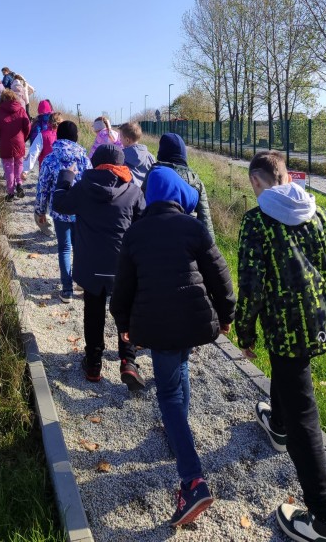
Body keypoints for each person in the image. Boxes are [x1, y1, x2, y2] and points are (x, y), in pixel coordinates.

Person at [236, 150, 326, 542]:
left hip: (283, 329)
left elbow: (251, 285)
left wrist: (245, 333)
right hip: (318, 323)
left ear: (257, 182)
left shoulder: (256, 221)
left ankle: (324, 519)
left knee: (305, 415)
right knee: (290, 380)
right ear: (287, 177)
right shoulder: (319, 213)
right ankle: (278, 424)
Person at [111, 166, 235, 527]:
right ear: (179, 196)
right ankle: (178, 429)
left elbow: (123, 289)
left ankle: (192, 481)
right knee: (180, 368)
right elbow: (220, 275)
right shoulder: (194, 227)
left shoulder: (135, 234)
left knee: (167, 393)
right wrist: (226, 314)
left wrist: (124, 327)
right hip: (193, 320)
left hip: (158, 325)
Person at [52, 144, 146, 387]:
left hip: (91, 265)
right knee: (125, 312)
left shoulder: (83, 188)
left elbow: (60, 204)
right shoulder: (133, 191)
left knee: (93, 314)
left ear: (95, 163)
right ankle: (129, 362)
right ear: (122, 165)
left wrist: (67, 176)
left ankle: (93, 364)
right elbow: (142, 224)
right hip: (123, 266)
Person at [35, 121, 92, 302]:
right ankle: (81, 281)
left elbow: (43, 187)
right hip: (81, 211)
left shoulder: (50, 159)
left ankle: (67, 290)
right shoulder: (84, 159)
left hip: (59, 211)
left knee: (64, 248)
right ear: (76, 137)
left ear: (58, 136)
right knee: (80, 247)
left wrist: (40, 210)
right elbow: (90, 186)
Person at [142, 133, 215, 240]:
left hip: (155, 236)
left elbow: (142, 206)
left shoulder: (154, 174)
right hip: (188, 238)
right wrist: (210, 246)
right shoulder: (195, 179)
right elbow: (205, 218)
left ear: (161, 152)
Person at [0, 89, 30, 201]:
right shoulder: (21, 110)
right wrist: (24, 138)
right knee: (19, 163)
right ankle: (19, 183)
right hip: (19, 141)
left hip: (5, 142)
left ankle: (10, 192)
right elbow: (27, 126)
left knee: (8, 166)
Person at [22, 107, 62, 178]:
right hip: (59, 173)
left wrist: (25, 170)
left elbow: (34, 152)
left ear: (48, 122)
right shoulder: (63, 136)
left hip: (44, 171)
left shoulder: (42, 135)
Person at [119, 122, 155, 187]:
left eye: (120, 137)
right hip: (147, 193)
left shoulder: (120, 158)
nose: (119, 139)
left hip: (131, 194)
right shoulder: (150, 157)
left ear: (127, 140)